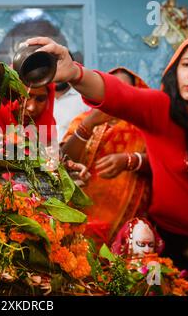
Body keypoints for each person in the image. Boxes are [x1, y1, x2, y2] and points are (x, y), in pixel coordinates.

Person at [25, 28, 188, 270]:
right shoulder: (162, 110)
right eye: (187, 64)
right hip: (166, 240)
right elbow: (122, 96)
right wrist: (75, 74)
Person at [61, 68, 152, 245]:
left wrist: (130, 160)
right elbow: (64, 161)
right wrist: (89, 124)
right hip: (83, 216)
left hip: (127, 220)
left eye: (124, 89)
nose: (116, 94)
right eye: (110, 88)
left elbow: (163, 165)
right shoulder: (84, 119)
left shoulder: (144, 125)